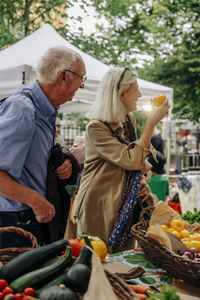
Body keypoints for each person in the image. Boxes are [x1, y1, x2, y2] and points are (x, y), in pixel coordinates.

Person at [75, 66, 170, 253]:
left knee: (122, 259)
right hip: (99, 203)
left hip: (124, 202)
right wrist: (151, 123)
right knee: (98, 258)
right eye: (136, 90)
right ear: (122, 94)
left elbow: (137, 162)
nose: (140, 94)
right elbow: (130, 159)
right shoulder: (96, 128)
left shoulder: (128, 120)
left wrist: (140, 180)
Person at [0, 46, 87, 248]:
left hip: (24, 217)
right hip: (14, 220)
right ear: (63, 76)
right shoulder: (23, 110)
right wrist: (36, 201)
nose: (82, 86)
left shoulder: (45, 109)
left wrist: (61, 159)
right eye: (81, 78)